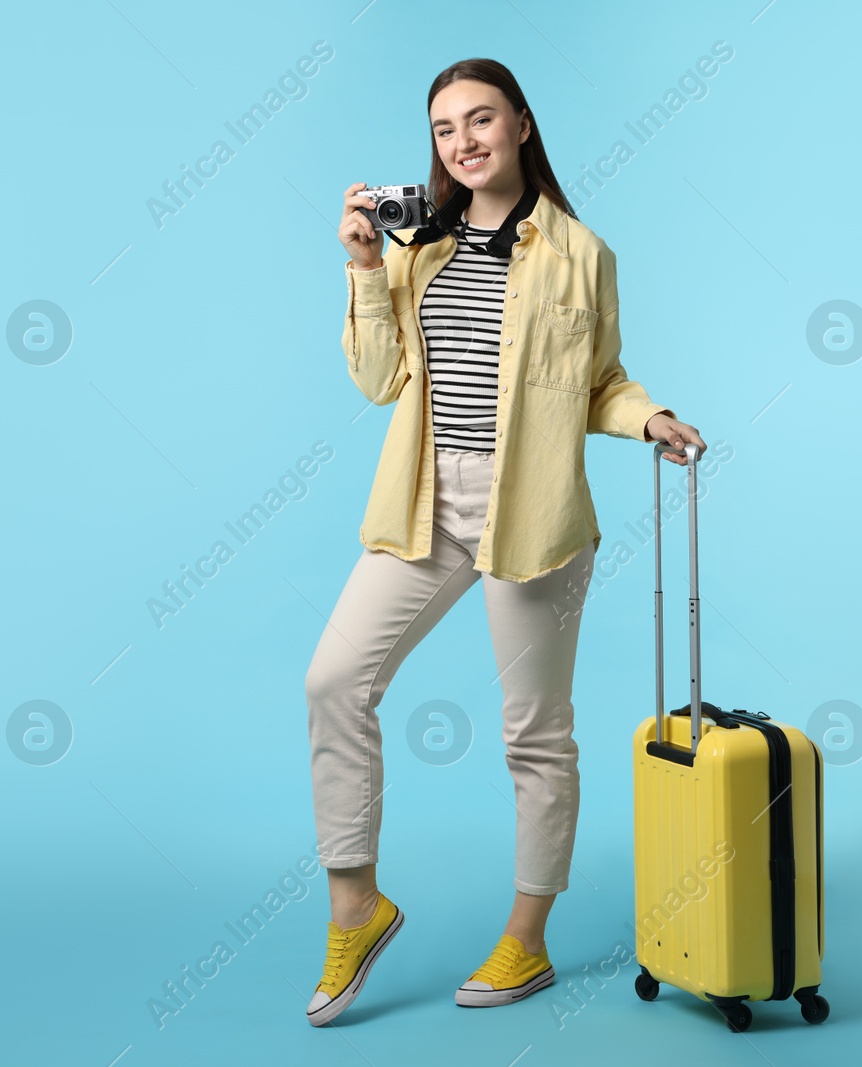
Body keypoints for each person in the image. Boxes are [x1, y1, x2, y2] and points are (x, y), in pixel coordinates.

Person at [303, 57, 706, 1026]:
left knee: (534, 733)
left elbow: (600, 378)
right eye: (444, 129)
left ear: (521, 125)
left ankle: (526, 938)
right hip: (425, 505)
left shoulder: (582, 254)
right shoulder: (416, 248)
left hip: (534, 518)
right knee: (333, 680)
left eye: (480, 119)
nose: (463, 140)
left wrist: (648, 415)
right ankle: (355, 907)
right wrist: (363, 266)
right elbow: (376, 377)